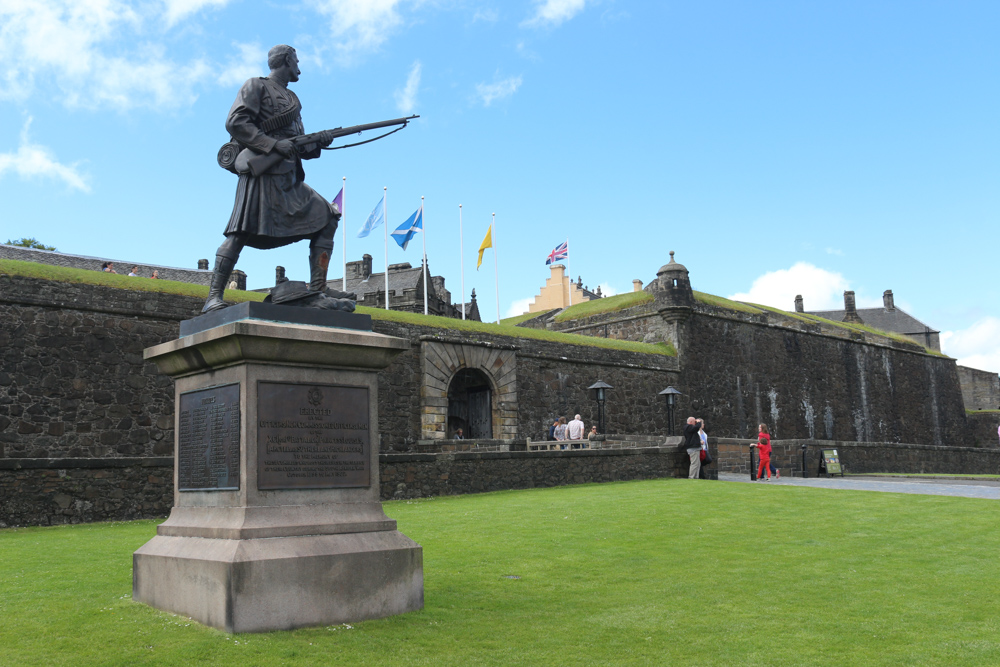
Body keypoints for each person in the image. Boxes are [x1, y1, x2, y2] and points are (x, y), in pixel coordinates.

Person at [202, 44, 342, 314]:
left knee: (328, 216)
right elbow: (236, 122)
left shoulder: (293, 99)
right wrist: (271, 145)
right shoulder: (255, 85)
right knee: (239, 234)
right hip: (262, 172)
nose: (299, 67)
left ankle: (318, 288)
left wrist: (319, 143)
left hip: (288, 176)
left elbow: (297, 143)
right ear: (287, 61)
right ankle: (213, 297)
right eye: (296, 61)